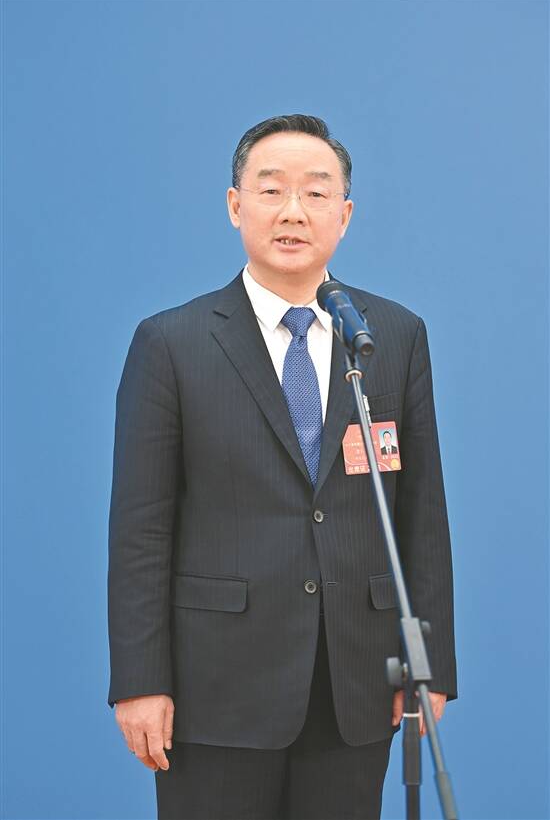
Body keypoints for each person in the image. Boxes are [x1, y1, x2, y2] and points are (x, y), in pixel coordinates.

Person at [107, 114, 457, 820]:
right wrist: (139, 680)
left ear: (344, 215)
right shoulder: (172, 343)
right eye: (271, 191)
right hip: (216, 686)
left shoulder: (389, 336)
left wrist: (433, 665)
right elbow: (141, 529)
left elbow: (421, 511)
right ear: (235, 205)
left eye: (316, 193)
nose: (293, 211)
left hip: (355, 680)